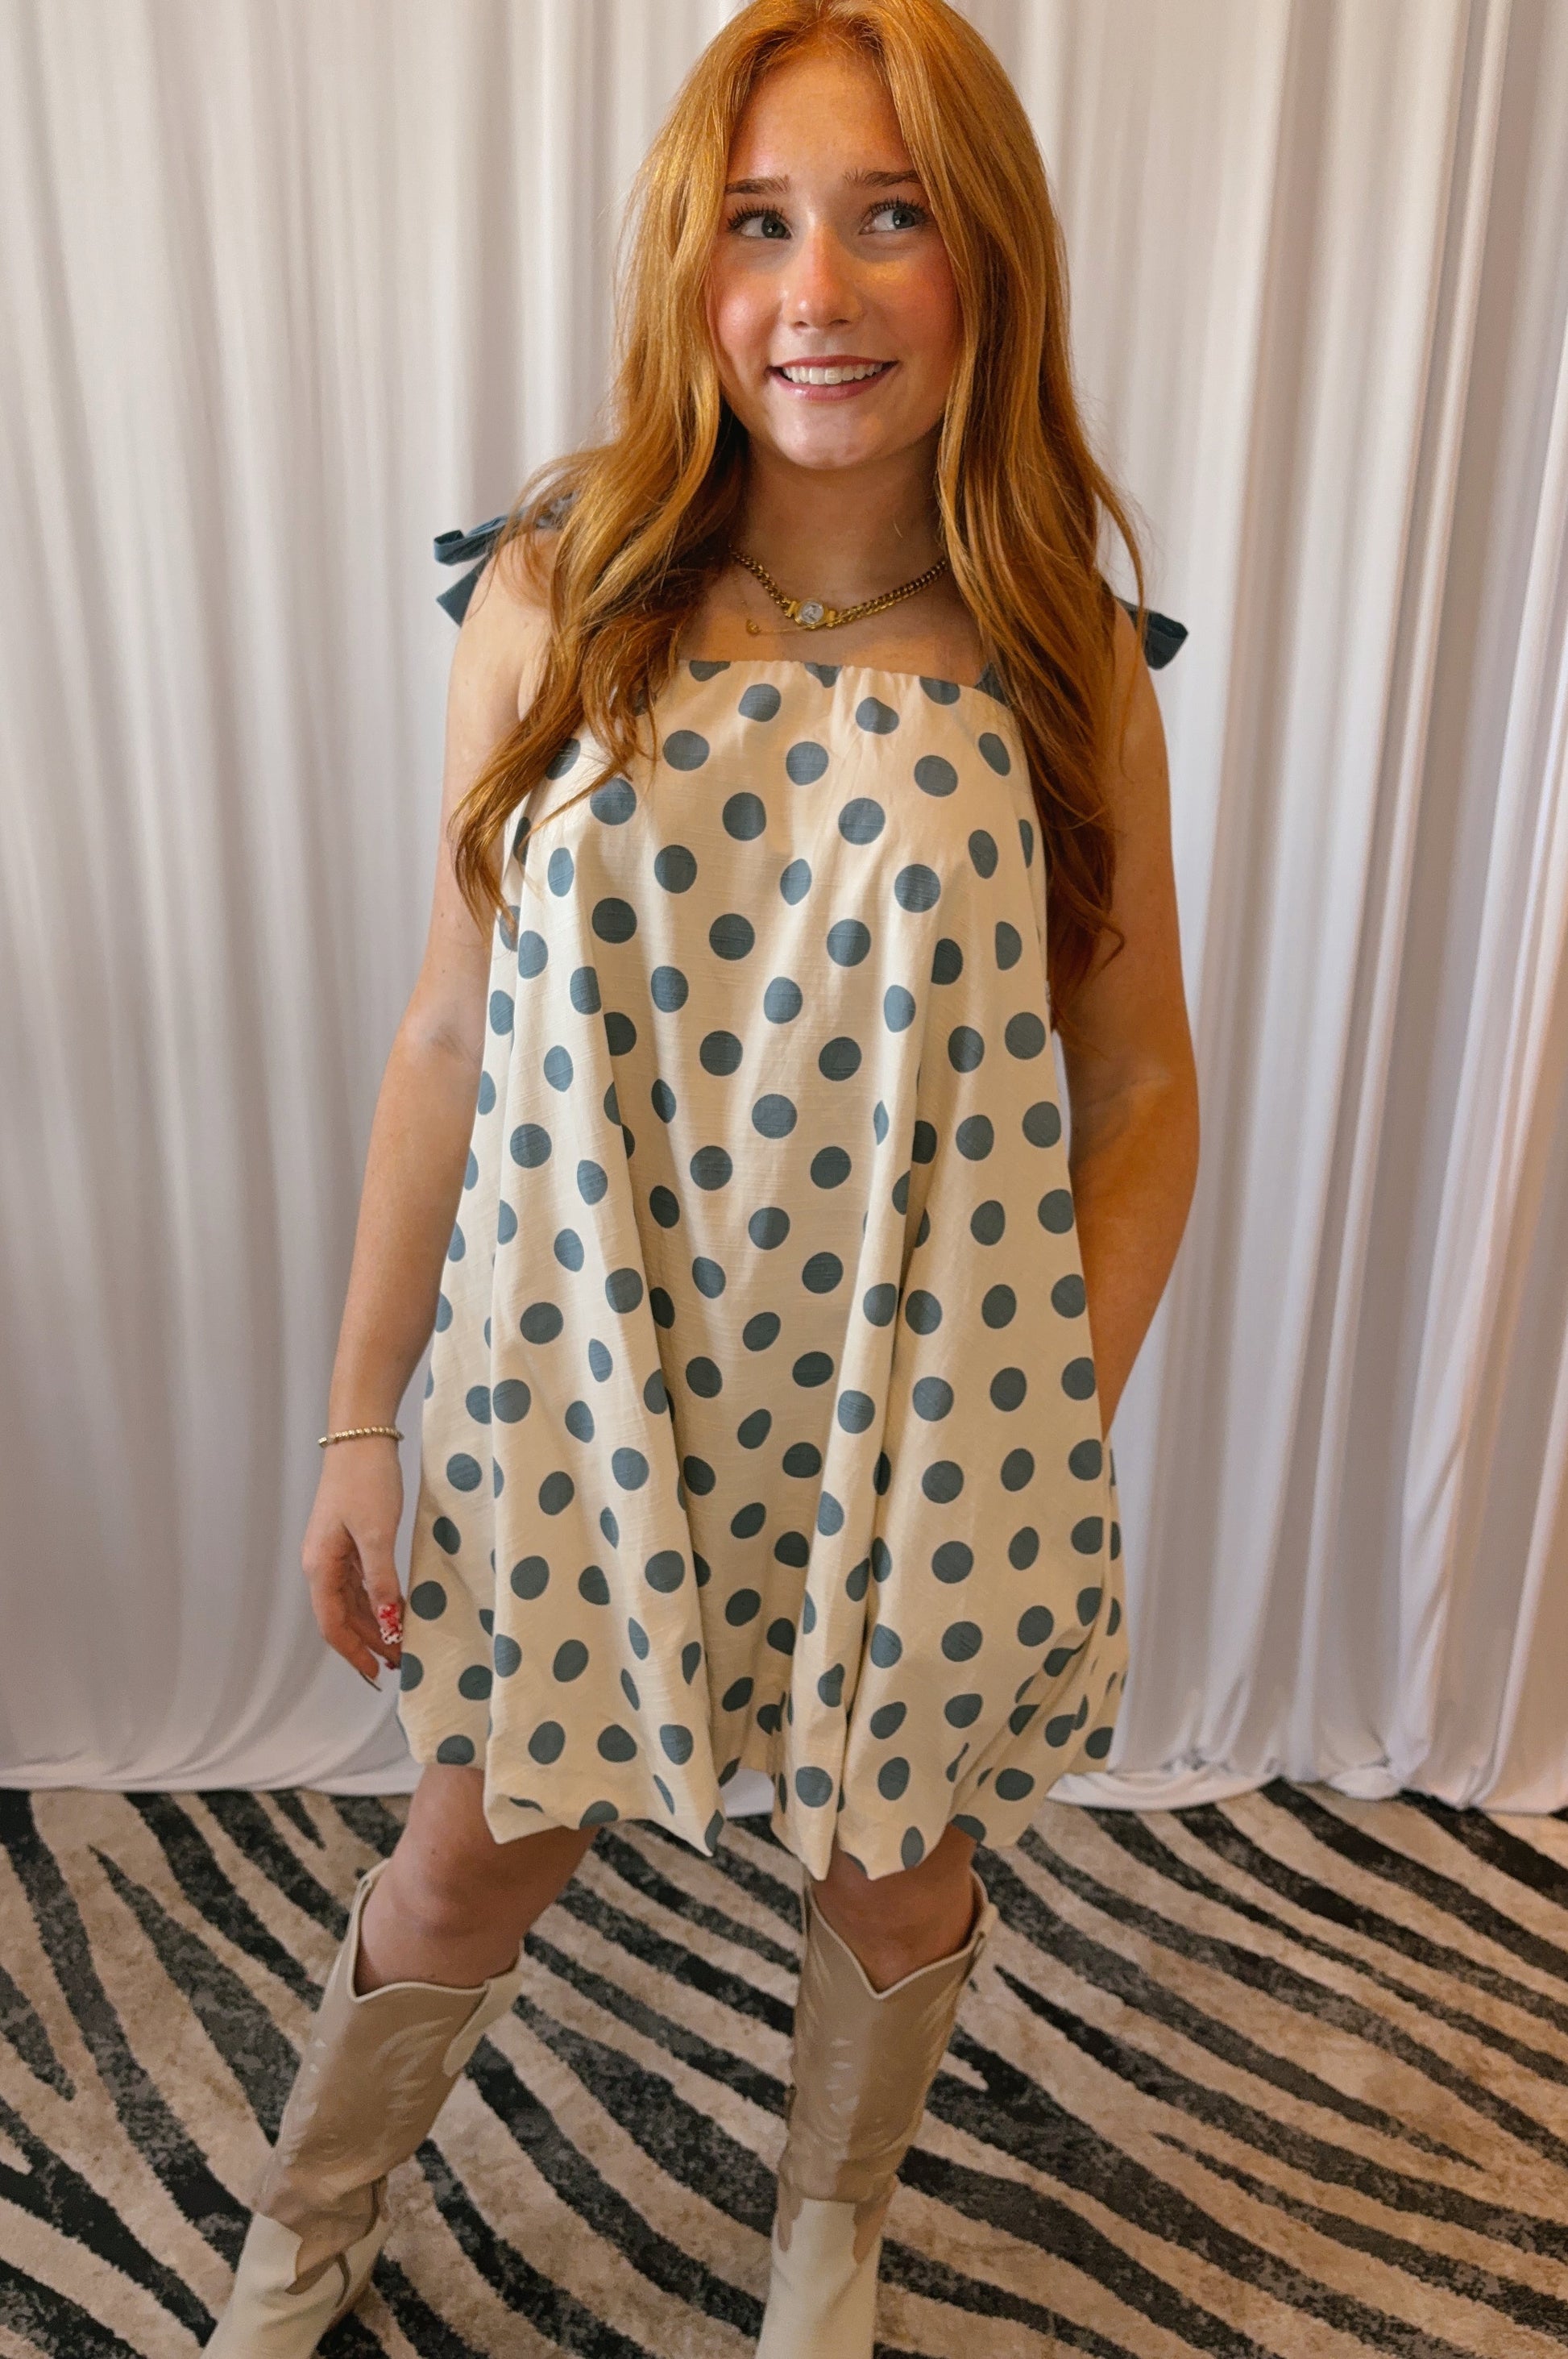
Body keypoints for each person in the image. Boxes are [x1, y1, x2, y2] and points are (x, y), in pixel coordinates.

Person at [206, 0, 1197, 2350]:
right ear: (690, 261)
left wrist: (1045, 1420)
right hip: (575, 1383)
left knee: (894, 1877)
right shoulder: (555, 589)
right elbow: (445, 1027)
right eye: (758, 224)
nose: (815, 293)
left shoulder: (1061, 651)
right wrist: (359, 1419)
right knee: (468, 1858)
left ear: (986, 257)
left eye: (889, 215)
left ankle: (826, 2238)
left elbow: (1140, 1077)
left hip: (920, 1416)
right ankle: (303, 2236)